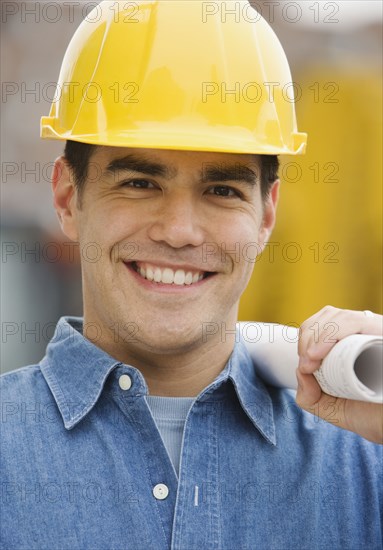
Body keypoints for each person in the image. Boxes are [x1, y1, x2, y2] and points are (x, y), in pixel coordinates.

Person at [1, 2, 382, 549]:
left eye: (221, 190)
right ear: (68, 196)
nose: (180, 231)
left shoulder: (364, 459)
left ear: (266, 214)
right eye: (139, 183)